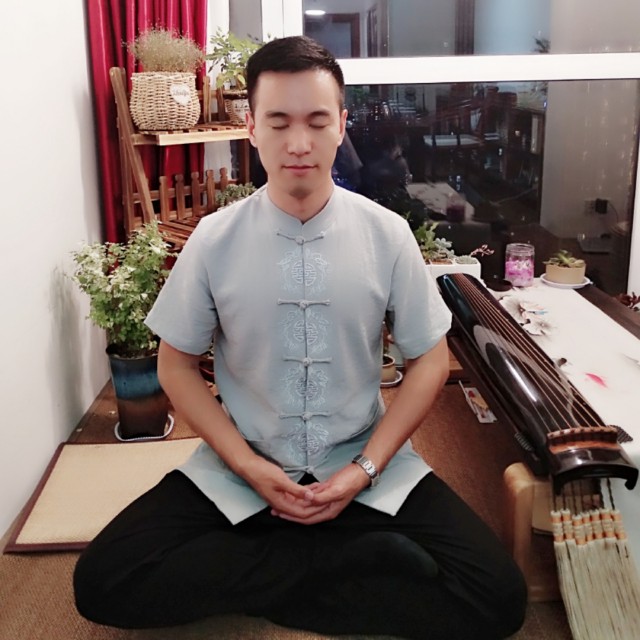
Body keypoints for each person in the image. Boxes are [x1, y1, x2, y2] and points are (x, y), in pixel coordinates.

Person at [74, 36, 526, 639]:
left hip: (361, 462)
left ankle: (269, 568)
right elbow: (175, 364)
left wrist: (364, 469)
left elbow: (429, 360)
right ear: (251, 127)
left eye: (316, 121)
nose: (298, 143)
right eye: (278, 121)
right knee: (103, 581)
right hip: (242, 465)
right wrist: (246, 464)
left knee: (499, 599)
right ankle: (337, 562)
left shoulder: (387, 234)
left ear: (341, 125)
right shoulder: (214, 239)